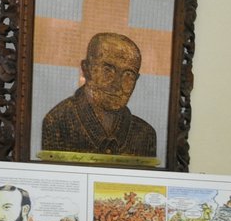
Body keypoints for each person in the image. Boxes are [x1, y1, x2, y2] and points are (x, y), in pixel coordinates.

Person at [40, 32, 158, 161]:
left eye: (128, 74)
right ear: (86, 69)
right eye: (107, 70)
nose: (117, 85)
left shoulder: (145, 134)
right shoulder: (59, 122)